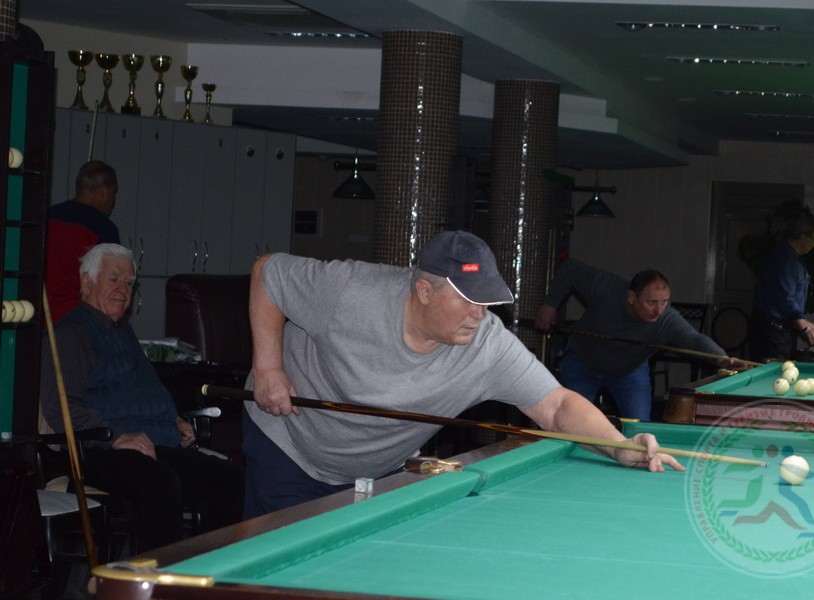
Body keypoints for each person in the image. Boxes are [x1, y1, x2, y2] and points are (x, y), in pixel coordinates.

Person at [243, 230, 684, 519]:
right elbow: (268, 272)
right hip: (289, 447)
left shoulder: (486, 345)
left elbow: (555, 405)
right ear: (423, 291)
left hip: (380, 469)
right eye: (468, 300)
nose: (479, 314)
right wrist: (268, 368)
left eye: (486, 301)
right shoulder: (350, 291)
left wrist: (619, 447)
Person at [39, 243, 244, 553]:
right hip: (97, 449)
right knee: (160, 481)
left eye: (129, 282)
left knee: (231, 480)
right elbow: (60, 405)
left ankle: (209, 568)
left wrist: (173, 418)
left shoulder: (123, 331)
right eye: (113, 278)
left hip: (151, 444)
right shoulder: (72, 333)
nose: (123, 289)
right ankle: (156, 576)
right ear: (86, 281)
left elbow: (145, 387)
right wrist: (116, 437)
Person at [535, 259, 743, 421]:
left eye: (664, 302)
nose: (659, 310)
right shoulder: (606, 287)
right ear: (632, 297)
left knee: (640, 427)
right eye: (652, 302)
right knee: (570, 423)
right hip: (583, 364)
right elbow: (570, 268)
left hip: (629, 372)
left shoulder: (665, 319)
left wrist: (722, 359)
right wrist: (550, 305)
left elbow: (693, 339)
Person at [45, 160, 121, 323]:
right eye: (113, 192)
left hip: (42, 318)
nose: (113, 200)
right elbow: (111, 287)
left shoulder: (46, 218)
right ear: (103, 191)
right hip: (80, 324)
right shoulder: (104, 228)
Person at [747, 213, 814, 361]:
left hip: (777, 330)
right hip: (769, 333)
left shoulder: (794, 260)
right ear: (803, 237)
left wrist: (805, 324)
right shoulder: (784, 259)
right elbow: (785, 298)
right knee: (773, 373)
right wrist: (805, 327)